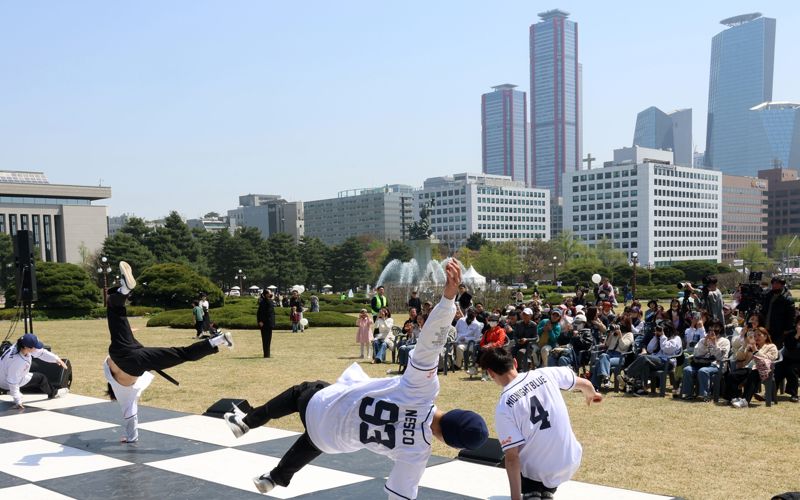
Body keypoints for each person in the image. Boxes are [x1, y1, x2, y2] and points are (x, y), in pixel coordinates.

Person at [224, 259, 489, 498]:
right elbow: (401, 494)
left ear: (457, 411)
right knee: (316, 439)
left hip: (325, 406)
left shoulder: (422, 390)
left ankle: (247, 422)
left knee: (302, 392)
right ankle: (276, 477)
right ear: (448, 442)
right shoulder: (418, 452)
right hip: (334, 441)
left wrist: (447, 301)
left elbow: (430, 345)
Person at [105, 262, 233, 443]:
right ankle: (123, 291)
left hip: (136, 357)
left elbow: (130, 416)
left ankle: (219, 340)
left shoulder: (127, 392)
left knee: (182, 354)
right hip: (125, 351)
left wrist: (132, 437)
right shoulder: (113, 378)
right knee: (115, 312)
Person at [480, 347, 602, 500]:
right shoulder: (545, 373)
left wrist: (515, 498)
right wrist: (592, 394)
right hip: (569, 460)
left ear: (491, 373)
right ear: (515, 363)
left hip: (537, 470)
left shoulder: (504, 406)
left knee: (510, 454)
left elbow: (512, 458)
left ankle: (532, 491)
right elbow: (584, 384)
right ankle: (547, 490)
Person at [0, 333, 69, 409]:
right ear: (27, 347)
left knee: (27, 374)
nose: (36, 348)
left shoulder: (20, 345)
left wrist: (57, 359)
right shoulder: (17, 361)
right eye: (35, 347)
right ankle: (54, 393)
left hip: (4, 375)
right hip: (5, 382)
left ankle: (9, 391)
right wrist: (18, 400)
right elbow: (12, 381)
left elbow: (41, 353)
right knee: (41, 378)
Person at [724, 327, 779, 408]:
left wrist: (756, 350)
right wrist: (745, 345)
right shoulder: (751, 345)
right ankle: (733, 397)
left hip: (763, 371)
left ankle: (745, 400)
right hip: (749, 368)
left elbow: (770, 358)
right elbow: (738, 357)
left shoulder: (771, 346)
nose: (756, 337)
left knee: (754, 373)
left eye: (759, 335)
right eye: (755, 336)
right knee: (732, 374)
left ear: (766, 336)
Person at [624, 324, 682, 396]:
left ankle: (627, 374)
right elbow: (649, 349)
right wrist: (656, 337)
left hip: (668, 362)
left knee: (644, 358)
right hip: (657, 360)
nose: (659, 332)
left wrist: (662, 336)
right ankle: (641, 389)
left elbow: (667, 350)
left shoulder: (676, 338)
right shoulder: (658, 338)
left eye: (661, 330)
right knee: (644, 363)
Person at [679, 322, 729, 401]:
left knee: (703, 371)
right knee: (687, 369)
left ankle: (704, 395)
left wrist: (714, 342)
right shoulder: (703, 340)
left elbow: (720, 356)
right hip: (701, 363)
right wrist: (705, 342)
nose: (712, 330)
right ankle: (688, 393)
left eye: (715, 327)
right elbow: (697, 353)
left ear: (720, 329)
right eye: (711, 328)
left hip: (716, 365)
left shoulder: (725, 341)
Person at [591, 323, 633, 390]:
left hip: (619, 356)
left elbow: (623, 347)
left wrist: (620, 336)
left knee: (600, 362)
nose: (618, 326)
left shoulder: (629, 335)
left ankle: (595, 385)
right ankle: (606, 379)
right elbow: (607, 344)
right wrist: (610, 334)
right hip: (609, 354)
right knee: (603, 356)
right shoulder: (614, 333)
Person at [760, 276, 795, 349]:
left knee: (775, 349)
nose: (774, 285)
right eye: (773, 283)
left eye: (776, 284)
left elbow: (791, 316)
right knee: (764, 348)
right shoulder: (768, 295)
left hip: (779, 330)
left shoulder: (787, 298)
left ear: (782, 285)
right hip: (766, 328)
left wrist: (786, 330)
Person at [775, 316, 800, 403]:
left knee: (792, 370)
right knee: (778, 369)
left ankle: (794, 395)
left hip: (798, 361)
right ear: (796, 325)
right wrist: (797, 335)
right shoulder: (790, 334)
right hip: (787, 359)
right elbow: (789, 347)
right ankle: (771, 392)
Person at [454, 308, 483, 374]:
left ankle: (457, 365)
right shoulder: (461, 320)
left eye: (472, 316)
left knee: (459, 348)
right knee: (453, 346)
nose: (470, 318)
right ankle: (456, 363)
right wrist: (456, 338)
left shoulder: (477, 325)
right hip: (458, 341)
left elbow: (477, 338)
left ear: (475, 315)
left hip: (470, 344)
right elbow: (455, 330)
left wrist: (466, 339)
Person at [257, 290, 276, 358]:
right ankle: (266, 354)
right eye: (269, 292)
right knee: (266, 339)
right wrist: (261, 321)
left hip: (268, 323)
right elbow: (262, 313)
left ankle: (267, 354)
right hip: (266, 323)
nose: (271, 293)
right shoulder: (265, 302)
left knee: (267, 339)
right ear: (266, 294)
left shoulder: (268, 301)